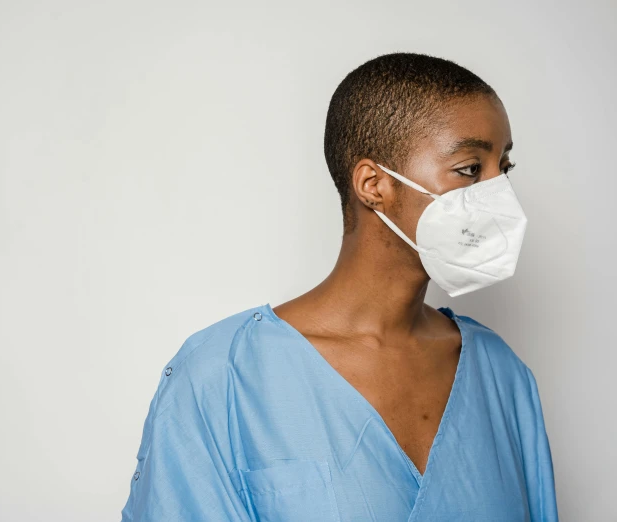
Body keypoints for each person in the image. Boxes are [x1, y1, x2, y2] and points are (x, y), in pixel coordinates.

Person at [119, 52, 558, 521]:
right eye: (471, 169)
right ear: (374, 184)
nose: (499, 195)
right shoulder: (222, 377)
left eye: (503, 169)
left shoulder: (501, 376)